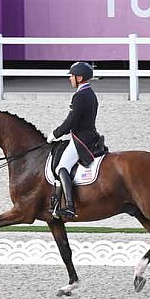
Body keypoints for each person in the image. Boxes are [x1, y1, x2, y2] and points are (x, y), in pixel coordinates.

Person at [47, 61, 101, 219]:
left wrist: (54, 134)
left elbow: (71, 121)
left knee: (61, 167)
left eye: (72, 76)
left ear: (79, 77)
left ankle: (69, 206)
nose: (70, 79)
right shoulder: (89, 93)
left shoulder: (80, 96)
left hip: (81, 139)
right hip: (90, 135)